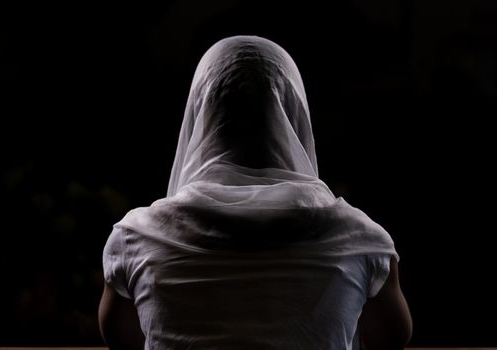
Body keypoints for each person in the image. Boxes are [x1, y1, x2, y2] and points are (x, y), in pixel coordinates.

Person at [99, 35, 412, 350]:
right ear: (294, 112)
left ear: (199, 111)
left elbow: (125, 342)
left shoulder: (134, 238)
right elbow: (389, 340)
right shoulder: (361, 239)